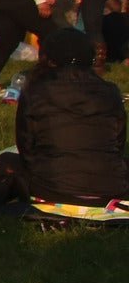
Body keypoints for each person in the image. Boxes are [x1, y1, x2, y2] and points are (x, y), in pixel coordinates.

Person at [13, 28, 129, 207]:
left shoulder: (36, 91)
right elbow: (118, 142)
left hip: (52, 188)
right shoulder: (110, 91)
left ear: (49, 58)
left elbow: (26, 147)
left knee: (7, 161)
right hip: (110, 187)